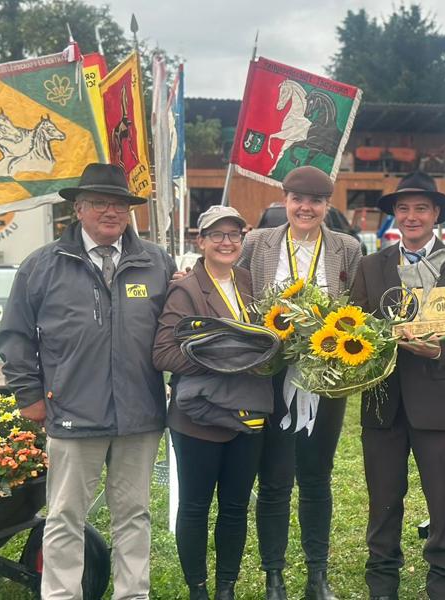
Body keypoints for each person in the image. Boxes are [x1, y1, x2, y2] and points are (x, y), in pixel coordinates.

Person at [0, 163, 176, 600]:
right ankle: (61, 596)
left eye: (119, 204)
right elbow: (14, 335)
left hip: (140, 415)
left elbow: (178, 328)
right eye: (99, 203)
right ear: (79, 209)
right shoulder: (42, 266)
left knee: (133, 514)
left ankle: (133, 594)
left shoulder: (157, 263)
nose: (110, 212)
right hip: (73, 413)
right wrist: (29, 396)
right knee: (64, 516)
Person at [349, 171, 445, 600]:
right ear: (394, 216)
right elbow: (355, 327)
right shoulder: (371, 267)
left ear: (436, 215)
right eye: (403, 209)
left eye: (421, 209)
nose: (412, 216)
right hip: (383, 402)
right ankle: (382, 582)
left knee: (443, 499)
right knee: (383, 499)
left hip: (438, 399)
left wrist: (440, 352)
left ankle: (444, 579)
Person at [238, 165, 363, 600]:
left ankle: (317, 576)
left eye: (315, 201)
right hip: (269, 380)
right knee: (273, 479)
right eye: (297, 199)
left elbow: (357, 308)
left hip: (325, 382)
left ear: (327, 206)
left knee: (316, 476)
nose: (305, 208)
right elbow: (230, 290)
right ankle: (274, 576)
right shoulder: (258, 243)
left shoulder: (347, 248)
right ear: (285, 201)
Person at [153, 206, 273, 600]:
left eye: (233, 235)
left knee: (236, 506)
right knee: (195, 506)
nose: (226, 242)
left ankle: (226, 588)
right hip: (199, 418)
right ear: (200, 241)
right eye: (217, 235)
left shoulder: (250, 282)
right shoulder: (186, 289)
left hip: (248, 413)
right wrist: (227, 357)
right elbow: (164, 354)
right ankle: (198, 590)